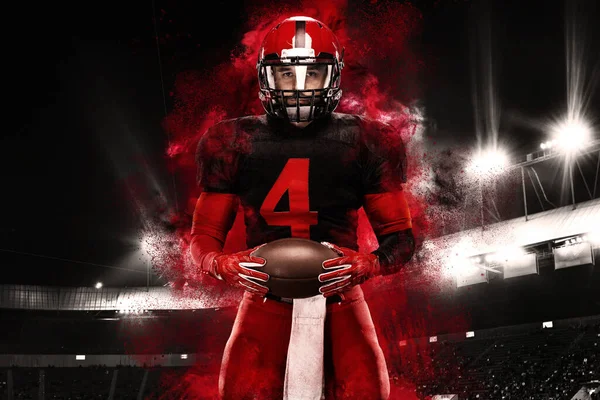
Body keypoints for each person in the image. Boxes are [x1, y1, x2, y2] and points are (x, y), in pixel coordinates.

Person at [189, 16, 415, 400]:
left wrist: (369, 264)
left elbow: (401, 240)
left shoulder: (368, 140)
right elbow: (203, 237)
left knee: (367, 393)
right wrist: (218, 263)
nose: (297, 89)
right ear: (265, 77)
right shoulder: (231, 140)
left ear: (333, 76)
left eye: (311, 76)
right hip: (264, 291)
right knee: (240, 394)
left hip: (340, 291)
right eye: (285, 76)